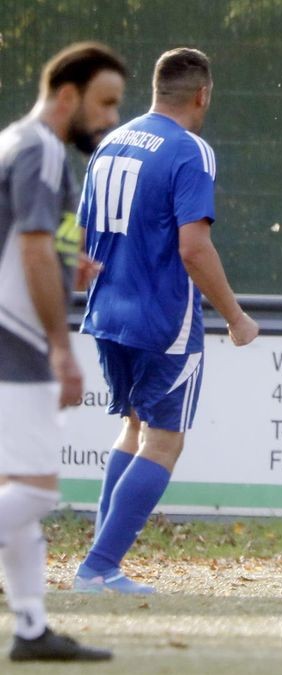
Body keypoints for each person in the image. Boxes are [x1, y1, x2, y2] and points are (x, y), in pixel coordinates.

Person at [73, 47, 260, 594]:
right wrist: (236, 316)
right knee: (165, 440)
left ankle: (98, 564)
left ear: (156, 90)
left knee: (133, 427)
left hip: (108, 311)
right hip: (162, 319)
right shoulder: (190, 150)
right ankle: (100, 567)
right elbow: (194, 249)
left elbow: (79, 236)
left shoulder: (112, 142)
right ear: (203, 94)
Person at [0, 41, 124, 662]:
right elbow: (27, 248)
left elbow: (29, 248)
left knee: (16, 494)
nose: (108, 120)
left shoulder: (12, 142)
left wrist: (69, 263)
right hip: (16, 343)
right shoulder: (42, 150)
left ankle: (28, 629)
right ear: (68, 95)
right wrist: (59, 349)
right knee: (38, 492)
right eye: (104, 104)